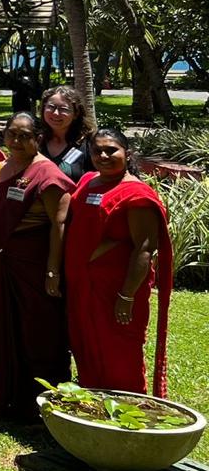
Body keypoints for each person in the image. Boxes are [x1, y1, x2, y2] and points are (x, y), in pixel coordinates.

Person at [64, 127, 173, 396]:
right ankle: (94, 406)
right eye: (97, 150)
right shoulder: (88, 181)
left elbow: (145, 248)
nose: (103, 155)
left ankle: (128, 411)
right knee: (87, 346)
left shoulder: (136, 194)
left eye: (111, 150)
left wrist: (126, 295)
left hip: (115, 290)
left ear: (127, 152)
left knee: (120, 353)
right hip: (83, 287)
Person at [0, 112, 73, 418]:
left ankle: (41, 402)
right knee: (4, 329)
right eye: (12, 134)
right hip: (3, 263)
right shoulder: (1, 168)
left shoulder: (47, 174)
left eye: (25, 136)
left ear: (39, 139)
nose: (18, 141)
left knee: (38, 332)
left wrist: (53, 270)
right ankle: (7, 394)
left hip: (34, 265)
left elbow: (59, 225)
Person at [38, 85, 93, 181]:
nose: (55, 113)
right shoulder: (35, 140)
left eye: (63, 109)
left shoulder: (89, 144)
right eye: (51, 107)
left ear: (76, 114)